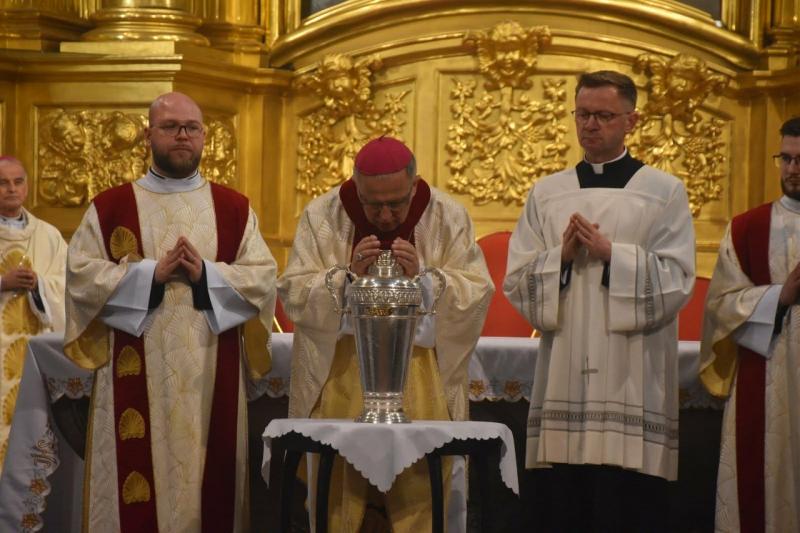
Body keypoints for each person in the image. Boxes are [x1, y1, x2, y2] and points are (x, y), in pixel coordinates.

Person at [63, 92, 277, 532]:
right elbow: (81, 277)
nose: (182, 135)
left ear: (204, 137)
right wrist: (149, 275)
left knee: (209, 481)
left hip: (210, 365)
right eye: (170, 127)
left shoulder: (234, 208)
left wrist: (206, 275)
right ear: (148, 136)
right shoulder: (110, 207)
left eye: (191, 128)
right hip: (137, 363)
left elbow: (262, 278)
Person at [504, 70, 695, 532]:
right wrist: (561, 259)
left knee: (625, 505)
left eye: (604, 116)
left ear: (631, 121)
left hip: (633, 372)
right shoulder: (548, 193)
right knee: (564, 502)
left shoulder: (663, 191)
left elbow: (677, 279)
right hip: (565, 366)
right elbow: (517, 279)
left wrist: (613, 255)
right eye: (583, 114)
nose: (591, 124)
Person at [277, 136, 493, 532]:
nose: (385, 215)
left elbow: (477, 291)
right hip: (343, 378)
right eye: (372, 204)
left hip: (422, 379)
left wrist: (425, 283)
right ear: (356, 186)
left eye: (396, 203)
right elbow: (293, 291)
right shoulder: (322, 215)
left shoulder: (447, 215)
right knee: (342, 490)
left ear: (414, 185)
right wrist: (346, 280)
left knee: (420, 489)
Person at [700, 116, 800, 533]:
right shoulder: (748, 228)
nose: (792, 170)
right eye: (785, 159)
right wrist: (779, 297)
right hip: (770, 374)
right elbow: (720, 307)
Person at [0, 156, 67, 472]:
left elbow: (69, 287)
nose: (11, 189)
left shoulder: (49, 236)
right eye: (3, 183)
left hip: (33, 353)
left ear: (27, 187)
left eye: (18, 182)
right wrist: (3, 283)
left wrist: (40, 284)